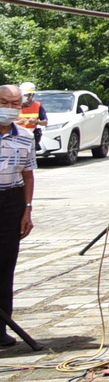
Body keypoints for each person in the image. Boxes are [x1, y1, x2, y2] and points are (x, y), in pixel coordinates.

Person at [0, 86, 34, 349]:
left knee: (5, 265)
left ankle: (2, 328)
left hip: (12, 201)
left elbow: (28, 174)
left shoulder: (24, 136)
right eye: (5, 102)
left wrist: (27, 208)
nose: (10, 107)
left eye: (15, 103)